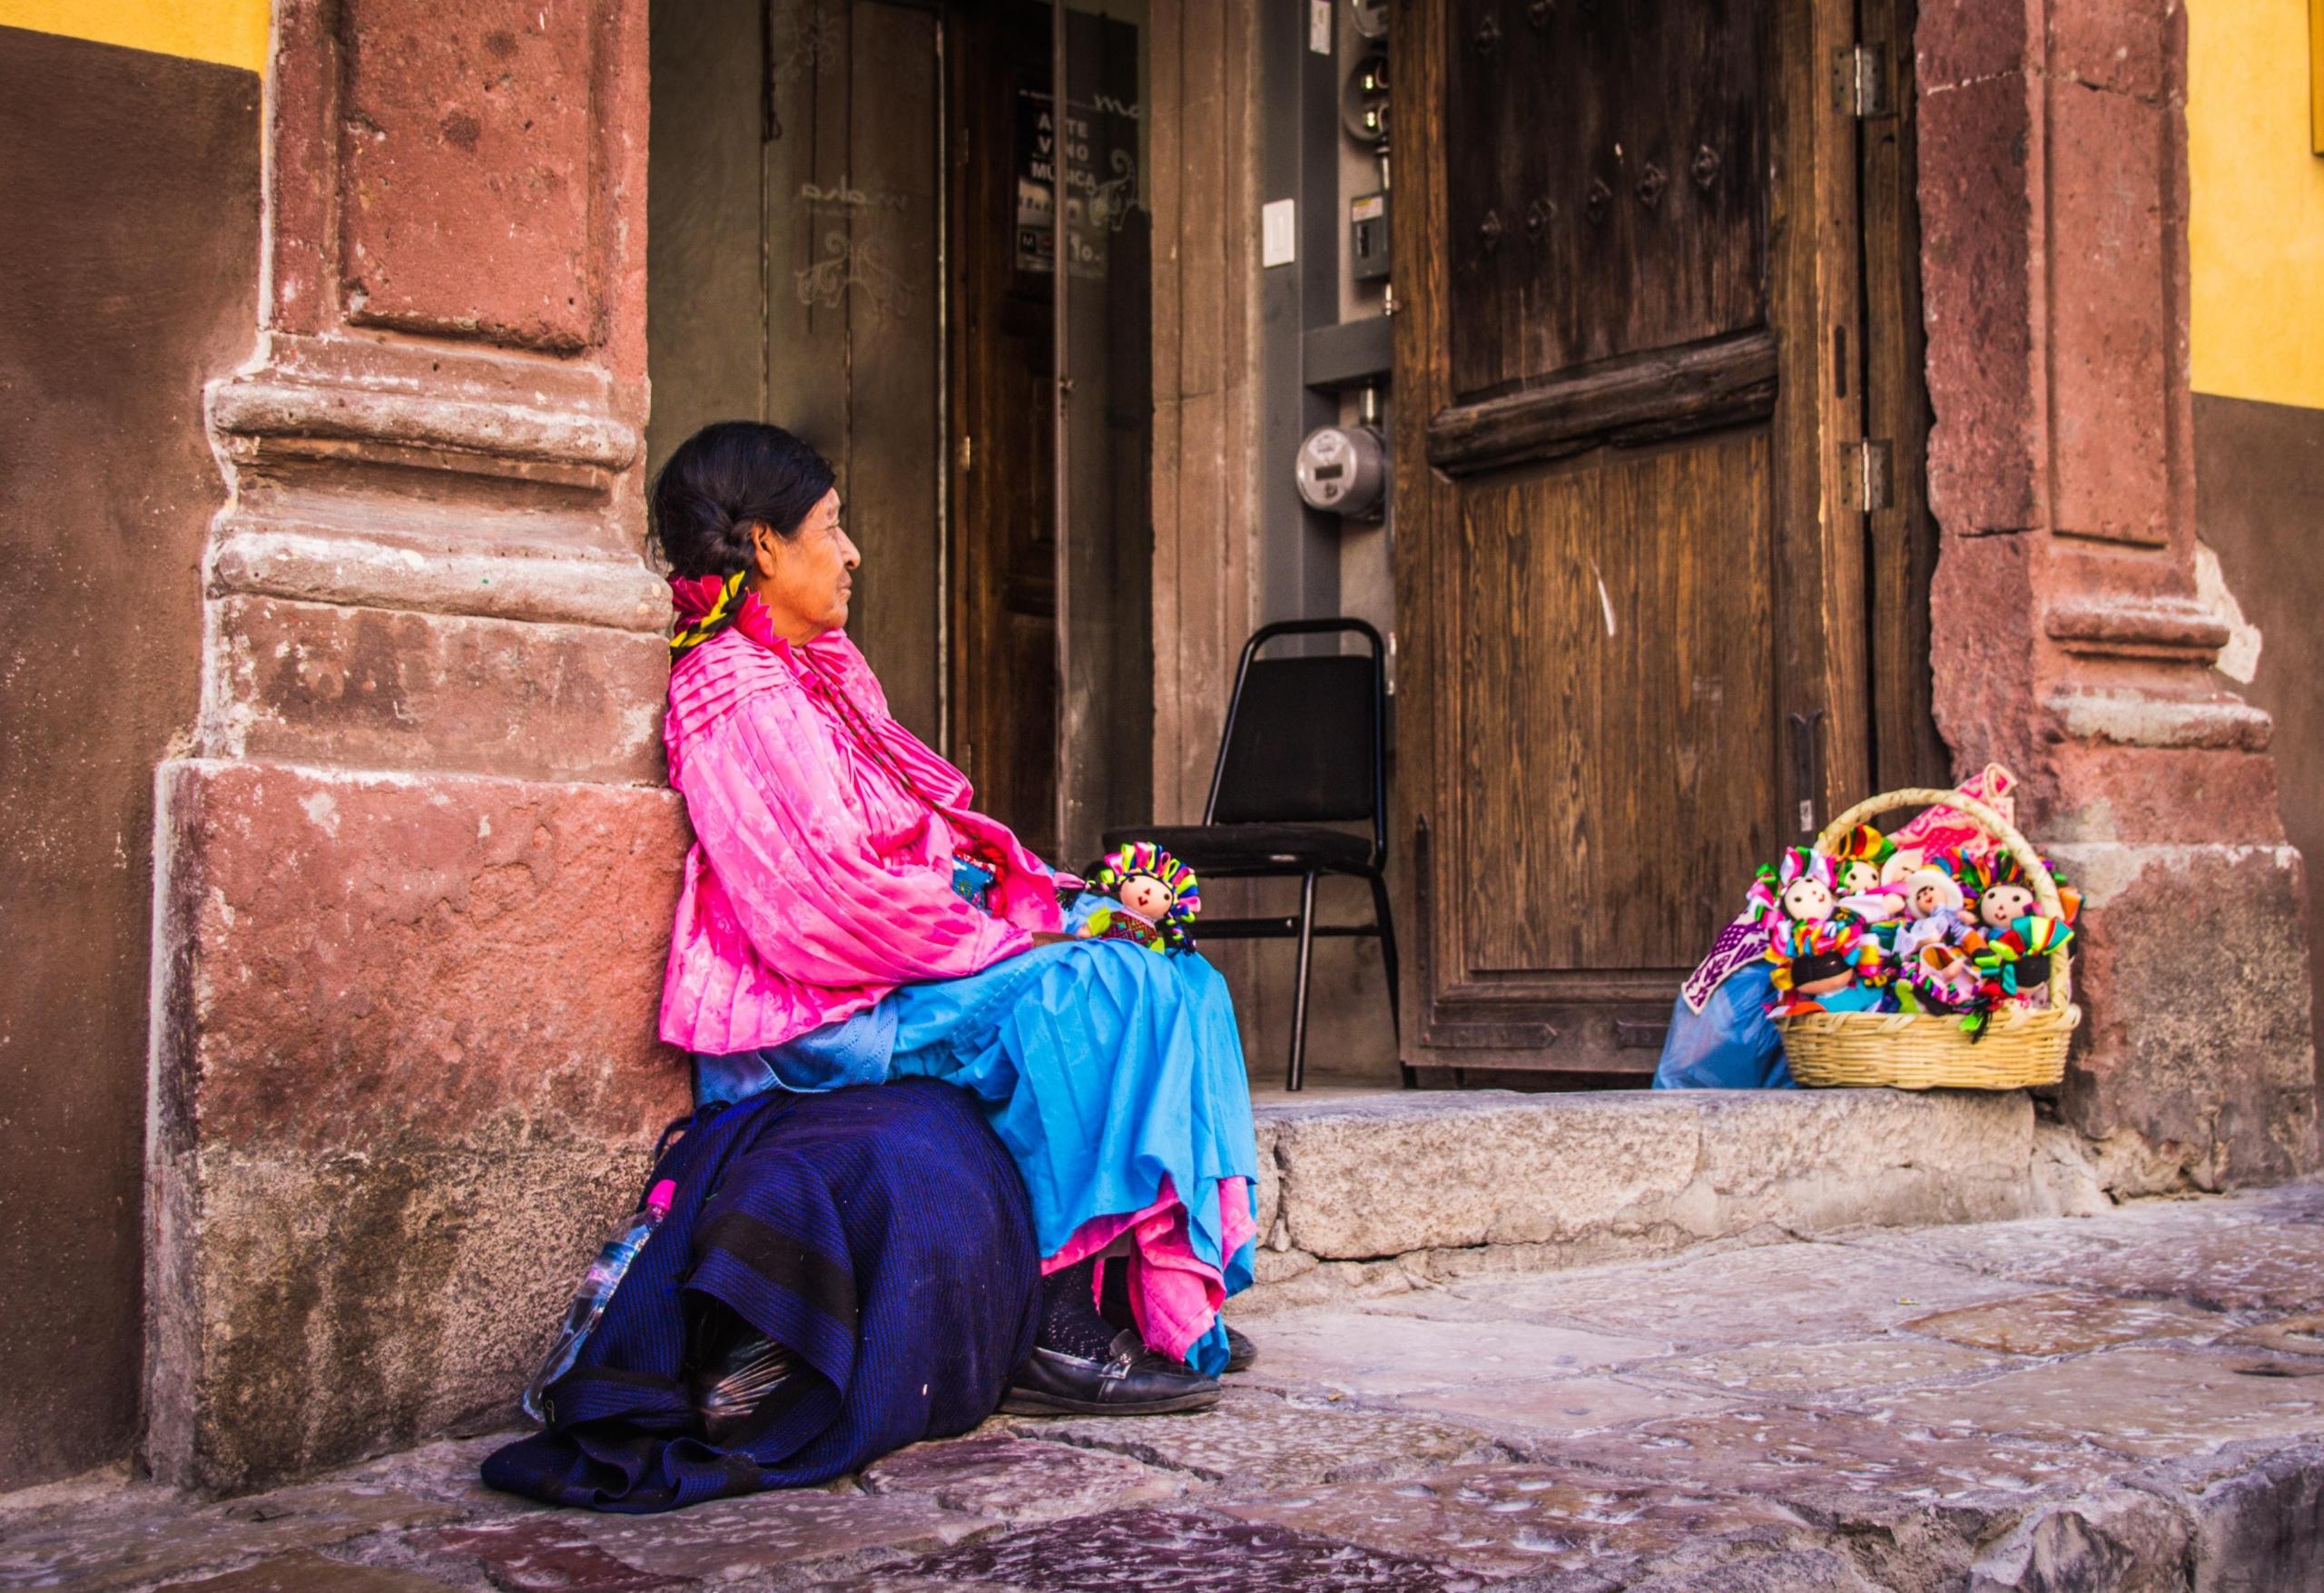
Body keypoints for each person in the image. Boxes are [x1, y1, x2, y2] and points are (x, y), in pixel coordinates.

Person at [654, 419, 1261, 1416]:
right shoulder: (735, 690)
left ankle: (1155, 1295)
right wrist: (1012, 939)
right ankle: (1050, 1317)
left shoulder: (819, 669)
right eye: (830, 526)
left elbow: (923, 833)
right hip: (825, 1007)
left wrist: (1056, 899)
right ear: (764, 545)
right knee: (1099, 993)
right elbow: (821, 909)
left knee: (1179, 975)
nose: (851, 552)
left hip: (903, 955)